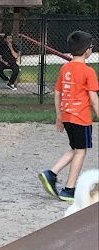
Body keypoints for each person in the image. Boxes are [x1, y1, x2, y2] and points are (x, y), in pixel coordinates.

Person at [38, 30, 98, 202]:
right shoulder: (89, 72)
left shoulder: (65, 68)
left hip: (67, 116)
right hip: (81, 118)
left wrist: (59, 116)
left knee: (74, 148)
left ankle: (51, 173)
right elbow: (93, 98)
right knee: (81, 151)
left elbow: (57, 93)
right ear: (87, 50)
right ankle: (69, 189)